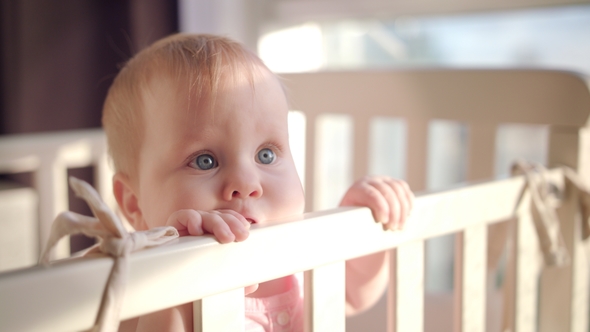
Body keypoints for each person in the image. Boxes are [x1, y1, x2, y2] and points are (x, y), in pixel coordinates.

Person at [102, 33, 414, 332]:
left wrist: (363, 229)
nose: (246, 183)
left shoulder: (300, 256)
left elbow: (352, 295)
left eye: (265, 155)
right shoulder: (131, 294)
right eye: (204, 161)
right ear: (134, 203)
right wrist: (179, 283)